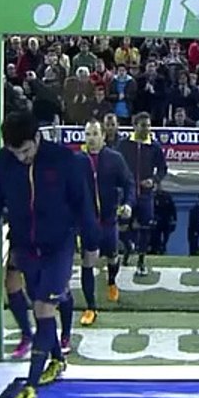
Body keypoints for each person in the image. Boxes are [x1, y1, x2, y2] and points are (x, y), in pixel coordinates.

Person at [0, 110, 97, 398]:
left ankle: (29, 388)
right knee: (37, 303)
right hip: (24, 245)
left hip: (59, 245)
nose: (21, 158)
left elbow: (83, 203)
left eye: (26, 151)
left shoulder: (64, 160)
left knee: (44, 309)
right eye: (15, 152)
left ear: (38, 138)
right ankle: (57, 359)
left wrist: (91, 243)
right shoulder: (5, 160)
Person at [76, 119, 135, 328]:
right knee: (88, 261)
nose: (91, 138)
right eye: (88, 134)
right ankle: (91, 307)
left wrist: (128, 203)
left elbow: (129, 183)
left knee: (112, 256)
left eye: (94, 134)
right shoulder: (77, 160)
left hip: (109, 219)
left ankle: (111, 281)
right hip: (88, 221)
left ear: (103, 136)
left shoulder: (114, 159)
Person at [116, 112, 167, 278]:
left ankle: (141, 261)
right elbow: (116, 164)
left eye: (148, 125)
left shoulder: (155, 146)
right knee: (121, 224)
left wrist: (154, 180)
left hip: (145, 193)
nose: (147, 129)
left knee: (146, 225)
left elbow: (162, 168)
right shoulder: (123, 144)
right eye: (143, 125)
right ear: (135, 126)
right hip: (126, 193)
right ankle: (128, 246)